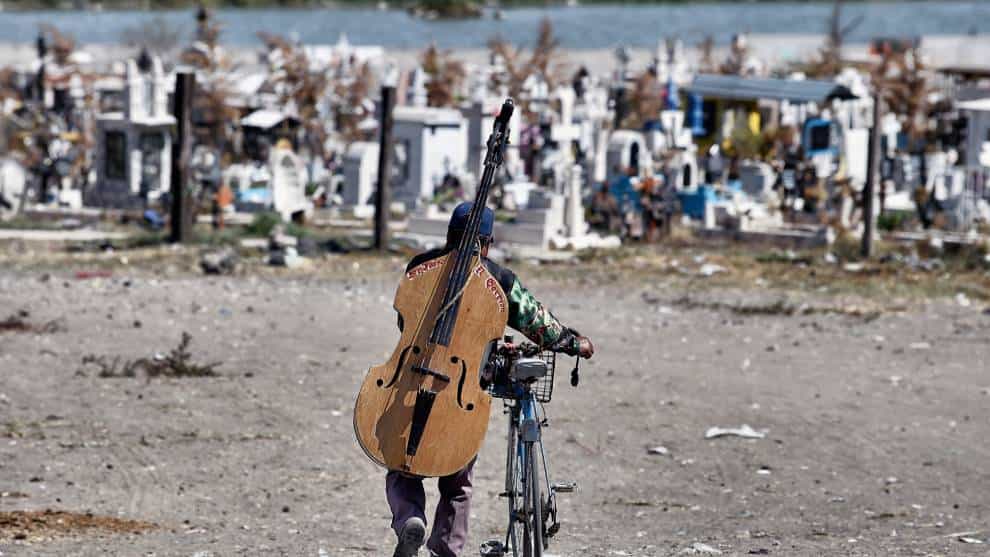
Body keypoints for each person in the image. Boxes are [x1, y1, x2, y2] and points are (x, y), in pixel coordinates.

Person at [388, 201, 595, 557]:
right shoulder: (498, 280)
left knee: (402, 467)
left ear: (449, 235)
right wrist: (574, 342)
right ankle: (445, 549)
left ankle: (410, 516)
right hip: (463, 394)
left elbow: (404, 325)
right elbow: (539, 324)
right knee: (457, 484)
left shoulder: (419, 267)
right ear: (488, 243)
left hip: (412, 383)